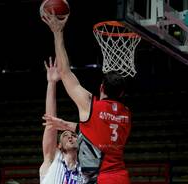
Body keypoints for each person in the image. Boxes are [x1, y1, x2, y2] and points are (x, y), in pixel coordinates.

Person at [41, 6, 132, 184]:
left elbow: (65, 72)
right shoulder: (127, 114)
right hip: (121, 176)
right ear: (122, 93)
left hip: (102, 178)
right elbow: (99, 131)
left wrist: (57, 32)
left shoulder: (91, 105)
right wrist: (68, 125)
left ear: (101, 88)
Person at [39, 57, 84, 184]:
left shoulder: (84, 171)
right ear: (58, 146)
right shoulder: (52, 159)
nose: (70, 137)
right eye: (65, 135)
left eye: (74, 135)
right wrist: (51, 83)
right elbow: (50, 124)